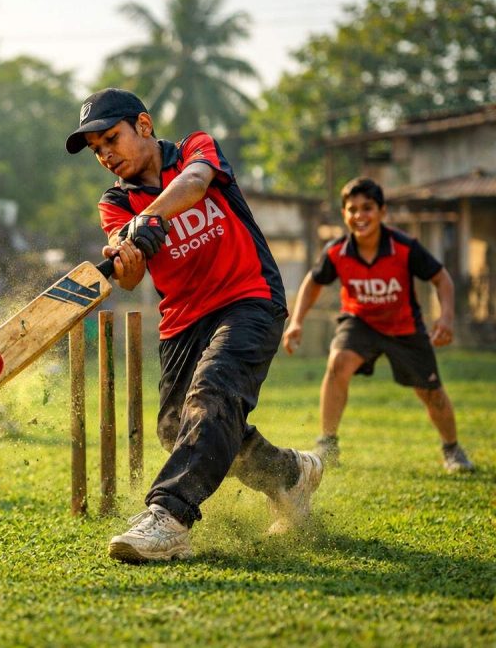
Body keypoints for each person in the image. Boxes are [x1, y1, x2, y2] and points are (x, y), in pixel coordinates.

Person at [65, 88, 324, 563]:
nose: (105, 155)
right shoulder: (114, 202)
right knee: (176, 429)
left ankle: (169, 517)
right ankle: (290, 475)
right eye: (97, 150)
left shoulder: (193, 148)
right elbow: (133, 275)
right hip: (182, 320)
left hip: (248, 298)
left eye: (111, 139)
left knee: (212, 396)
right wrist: (126, 258)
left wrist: (150, 217)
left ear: (143, 125)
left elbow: (197, 183)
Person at [283, 177, 474, 473]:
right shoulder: (337, 251)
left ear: (382, 211)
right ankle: (328, 443)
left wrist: (446, 317)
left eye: (367, 208)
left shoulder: (404, 247)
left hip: (404, 327)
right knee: (338, 362)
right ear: (345, 214)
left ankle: (453, 449)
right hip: (359, 322)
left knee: (431, 392)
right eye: (352, 209)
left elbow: (441, 278)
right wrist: (296, 321)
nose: (360, 216)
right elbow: (313, 281)